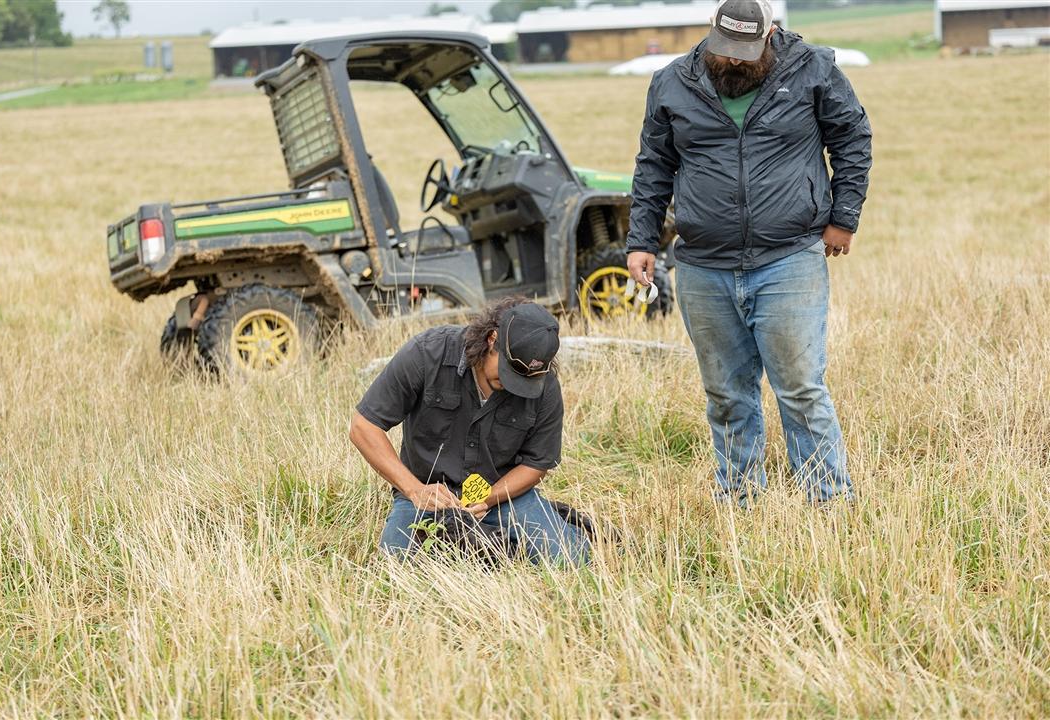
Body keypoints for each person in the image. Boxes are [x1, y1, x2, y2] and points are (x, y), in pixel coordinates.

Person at [626, 0, 872, 504]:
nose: (734, 61)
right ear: (710, 34)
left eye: (745, 51)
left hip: (789, 257)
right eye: (725, 50)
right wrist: (641, 240)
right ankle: (740, 502)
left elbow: (852, 138)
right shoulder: (672, 82)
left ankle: (828, 502)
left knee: (801, 390)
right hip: (702, 265)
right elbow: (653, 164)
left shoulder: (814, 69)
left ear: (771, 35)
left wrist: (843, 218)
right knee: (725, 394)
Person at [349, 298, 589, 563]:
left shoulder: (546, 388)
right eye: (509, 374)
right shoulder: (428, 353)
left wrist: (489, 498)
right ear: (491, 339)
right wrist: (414, 490)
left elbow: (537, 463)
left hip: (502, 497)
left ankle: (550, 527)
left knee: (568, 559)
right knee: (396, 564)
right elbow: (363, 426)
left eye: (525, 381)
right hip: (426, 497)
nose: (514, 387)